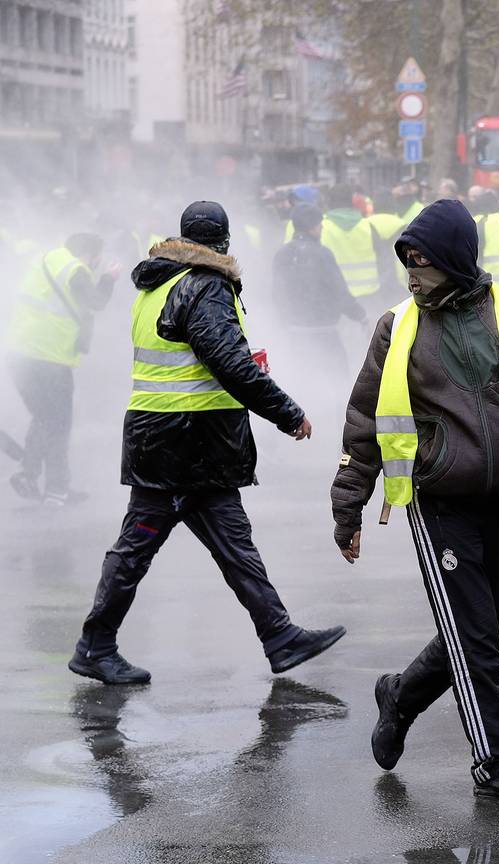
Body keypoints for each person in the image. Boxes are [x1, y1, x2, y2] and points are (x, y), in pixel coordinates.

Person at [332, 199, 499, 801]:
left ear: (456, 260)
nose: (413, 274)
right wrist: (349, 507)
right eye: (407, 262)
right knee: (477, 639)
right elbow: (366, 417)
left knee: (480, 627)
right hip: (438, 500)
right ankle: (497, 762)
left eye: (425, 262)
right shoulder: (397, 326)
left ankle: (401, 694)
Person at [69, 201, 345, 686]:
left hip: (176, 442)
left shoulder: (161, 284)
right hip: (184, 445)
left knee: (232, 544)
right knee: (138, 547)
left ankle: (280, 636)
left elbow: (194, 361)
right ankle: (95, 645)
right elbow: (228, 364)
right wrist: (288, 412)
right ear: (224, 242)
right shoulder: (206, 285)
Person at [6, 233, 119, 505]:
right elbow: (95, 302)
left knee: (45, 417)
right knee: (58, 423)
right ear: (90, 255)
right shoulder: (74, 269)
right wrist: (108, 279)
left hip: (20, 355)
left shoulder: (48, 259)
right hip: (49, 359)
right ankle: (56, 490)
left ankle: (28, 474)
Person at [272, 203, 366, 382]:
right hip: (325, 334)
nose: (322, 227)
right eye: (319, 223)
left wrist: (282, 323)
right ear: (312, 227)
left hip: (296, 336)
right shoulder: (322, 254)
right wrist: (360, 315)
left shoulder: (282, 254)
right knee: (337, 382)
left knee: (305, 383)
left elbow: (277, 294)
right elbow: (339, 293)